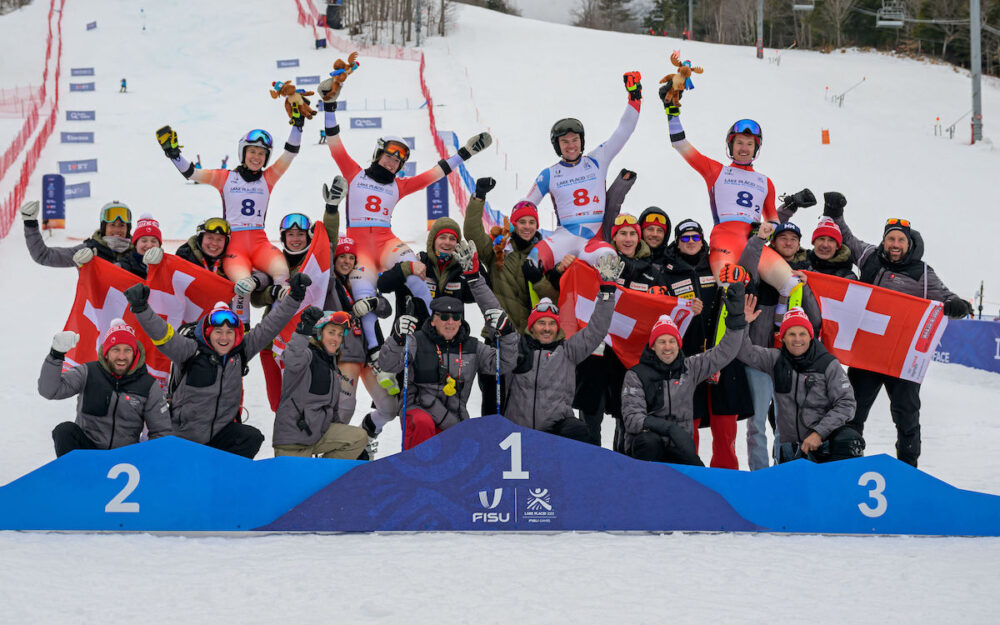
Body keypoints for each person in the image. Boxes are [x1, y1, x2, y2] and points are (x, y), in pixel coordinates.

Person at [317, 76, 492, 368]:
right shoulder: (355, 174)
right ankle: (375, 353)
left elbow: (434, 173)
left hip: (386, 241)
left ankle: (434, 322)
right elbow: (335, 144)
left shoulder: (398, 185)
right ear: (378, 155)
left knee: (416, 271)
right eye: (388, 157)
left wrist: (467, 153)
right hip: (359, 248)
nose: (391, 163)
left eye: (397, 161)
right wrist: (329, 105)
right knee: (363, 300)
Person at [823, 192, 970, 467]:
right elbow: (846, 236)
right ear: (884, 240)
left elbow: (945, 296)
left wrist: (955, 304)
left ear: (909, 243)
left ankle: (908, 468)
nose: (894, 244)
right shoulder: (869, 257)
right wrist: (833, 210)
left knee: (906, 414)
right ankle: (847, 464)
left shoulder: (923, 274)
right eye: (890, 238)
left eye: (900, 239)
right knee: (853, 411)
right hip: (866, 355)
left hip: (901, 359)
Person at [124, 273, 313, 458]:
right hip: (184, 436)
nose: (224, 338)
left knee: (250, 438)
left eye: (229, 332)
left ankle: (225, 481)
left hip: (219, 434)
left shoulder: (241, 350)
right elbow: (163, 335)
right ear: (207, 332)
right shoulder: (189, 350)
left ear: (237, 334)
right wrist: (141, 308)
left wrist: (294, 297)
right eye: (218, 332)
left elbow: (271, 325)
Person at [664, 102, 802, 315]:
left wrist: (767, 230)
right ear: (731, 146)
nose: (744, 148)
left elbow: (774, 219)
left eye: (749, 143)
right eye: (739, 142)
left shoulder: (765, 182)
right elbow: (681, 144)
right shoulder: (715, 171)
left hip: (753, 244)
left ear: (756, 148)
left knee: (793, 285)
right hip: (724, 243)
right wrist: (672, 113)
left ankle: (782, 334)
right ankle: (724, 344)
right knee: (732, 293)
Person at [378, 255, 518, 450]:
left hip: (453, 419)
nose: (450, 322)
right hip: (418, 415)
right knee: (423, 423)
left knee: (472, 446)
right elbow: (388, 364)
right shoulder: (416, 341)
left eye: (455, 317)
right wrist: (397, 338)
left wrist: (507, 332)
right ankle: (418, 473)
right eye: (443, 317)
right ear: (433, 319)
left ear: (461, 320)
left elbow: (504, 363)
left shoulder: (472, 347)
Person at [155, 121, 304, 285]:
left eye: (262, 153)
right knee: (242, 286)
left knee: (282, 274)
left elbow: (290, 153)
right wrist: (174, 154)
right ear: (243, 153)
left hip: (261, 244)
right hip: (235, 248)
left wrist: (297, 124)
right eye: (252, 151)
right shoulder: (225, 178)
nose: (256, 157)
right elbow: (192, 174)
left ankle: (281, 310)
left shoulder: (268, 178)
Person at [620, 280, 750, 466]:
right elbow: (633, 419)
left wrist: (736, 319)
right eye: (661, 341)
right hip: (647, 446)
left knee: (697, 476)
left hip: (679, 444)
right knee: (649, 443)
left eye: (672, 341)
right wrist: (670, 429)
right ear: (653, 345)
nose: (667, 347)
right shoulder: (636, 375)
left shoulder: (690, 367)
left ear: (678, 345)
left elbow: (724, 352)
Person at [523, 71, 642, 273]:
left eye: (575, 140)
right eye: (565, 142)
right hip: (563, 239)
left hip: (593, 241)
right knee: (532, 264)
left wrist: (635, 96)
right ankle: (542, 304)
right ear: (557, 145)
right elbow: (526, 206)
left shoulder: (597, 160)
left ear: (582, 141)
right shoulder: (549, 174)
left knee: (611, 261)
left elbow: (624, 130)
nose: (571, 146)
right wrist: (512, 231)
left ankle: (605, 303)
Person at [657, 219, 752, 469]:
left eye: (695, 238)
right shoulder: (665, 271)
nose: (690, 242)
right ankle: (691, 476)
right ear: (677, 241)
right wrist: (680, 307)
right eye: (685, 238)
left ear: (703, 241)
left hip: (723, 354)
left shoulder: (716, 264)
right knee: (689, 423)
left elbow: (741, 282)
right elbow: (658, 307)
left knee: (725, 426)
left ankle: (727, 478)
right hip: (686, 357)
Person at [464, 177, 560, 416]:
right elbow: (473, 234)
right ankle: (491, 449)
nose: (527, 227)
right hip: (496, 337)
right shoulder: (499, 248)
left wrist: (538, 279)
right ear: (514, 224)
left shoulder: (545, 253)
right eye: (522, 222)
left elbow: (554, 297)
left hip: (529, 341)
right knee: (493, 403)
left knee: (521, 406)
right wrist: (478, 198)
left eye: (531, 222)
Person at [503, 256, 621, 441]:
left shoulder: (568, 351)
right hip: (518, 434)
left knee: (579, 431)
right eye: (541, 323)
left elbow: (596, 330)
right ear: (531, 326)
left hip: (554, 430)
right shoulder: (517, 348)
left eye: (552, 323)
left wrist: (606, 293)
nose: (547, 328)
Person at [737, 222, 823, 470]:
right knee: (756, 423)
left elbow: (815, 321)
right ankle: (761, 475)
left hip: (789, 361)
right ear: (774, 242)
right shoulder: (763, 270)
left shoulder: (805, 273)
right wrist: (758, 240)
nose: (787, 242)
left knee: (787, 424)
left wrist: (804, 286)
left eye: (793, 239)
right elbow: (743, 270)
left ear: (799, 245)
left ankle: (784, 470)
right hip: (760, 359)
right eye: (782, 238)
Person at [737, 306, 865, 464]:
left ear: (811, 336)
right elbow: (744, 352)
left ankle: (840, 479)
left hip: (823, 442)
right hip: (790, 446)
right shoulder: (775, 359)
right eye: (791, 334)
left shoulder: (828, 363)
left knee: (850, 439)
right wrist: (742, 325)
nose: (797, 339)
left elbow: (847, 403)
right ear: (782, 337)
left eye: (802, 333)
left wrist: (819, 433)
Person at [38, 320, 171, 457]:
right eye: (116, 350)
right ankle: (72, 476)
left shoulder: (148, 385)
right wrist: (56, 354)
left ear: (135, 353)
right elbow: (49, 390)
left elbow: (161, 431)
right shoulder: (88, 372)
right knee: (64, 431)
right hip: (88, 453)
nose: (121, 356)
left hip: (124, 459)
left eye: (127, 350)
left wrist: (147, 462)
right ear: (106, 353)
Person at [272, 307, 368, 459]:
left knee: (358, 438)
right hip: (294, 439)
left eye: (339, 335)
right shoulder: (307, 356)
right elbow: (292, 359)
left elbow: (332, 411)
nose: (335, 339)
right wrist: (303, 329)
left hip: (317, 435)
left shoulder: (332, 367)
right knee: (300, 483)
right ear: (319, 333)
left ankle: (326, 474)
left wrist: (347, 444)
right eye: (331, 332)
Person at [377, 217, 475, 325]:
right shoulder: (417, 262)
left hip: (449, 336)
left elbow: (476, 296)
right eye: (442, 237)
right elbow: (383, 285)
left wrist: (474, 271)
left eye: (452, 239)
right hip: (411, 337)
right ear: (433, 241)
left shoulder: (460, 269)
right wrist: (406, 268)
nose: (447, 242)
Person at [21, 200, 133, 267]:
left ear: (128, 229)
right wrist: (30, 224)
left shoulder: (137, 252)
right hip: (97, 306)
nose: (117, 230)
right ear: (104, 228)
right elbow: (44, 256)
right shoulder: (89, 251)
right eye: (112, 225)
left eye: (122, 226)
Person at [116, 214, 164, 279]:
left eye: (153, 241)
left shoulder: (167, 265)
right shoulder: (124, 266)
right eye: (144, 241)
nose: (149, 245)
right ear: (136, 245)